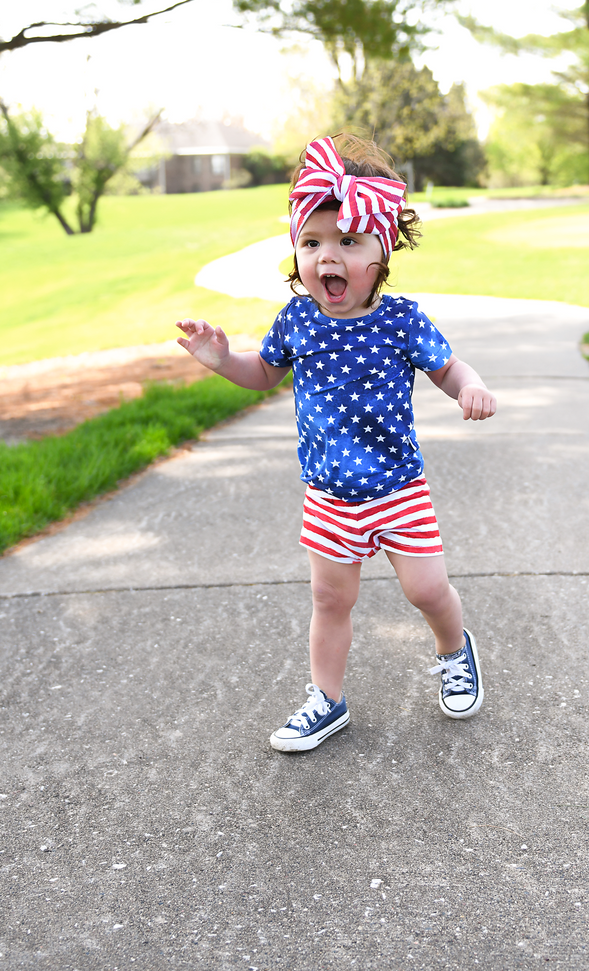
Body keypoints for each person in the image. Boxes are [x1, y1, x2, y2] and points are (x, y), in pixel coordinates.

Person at [176, 134, 497, 753]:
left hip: (399, 488)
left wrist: (470, 387)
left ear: (383, 250)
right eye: (313, 241)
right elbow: (263, 373)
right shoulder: (296, 320)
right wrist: (221, 359)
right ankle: (327, 699)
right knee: (330, 599)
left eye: (348, 242)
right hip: (328, 496)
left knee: (426, 590)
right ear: (296, 252)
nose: (329, 257)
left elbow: (447, 368)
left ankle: (454, 650)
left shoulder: (401, 319)